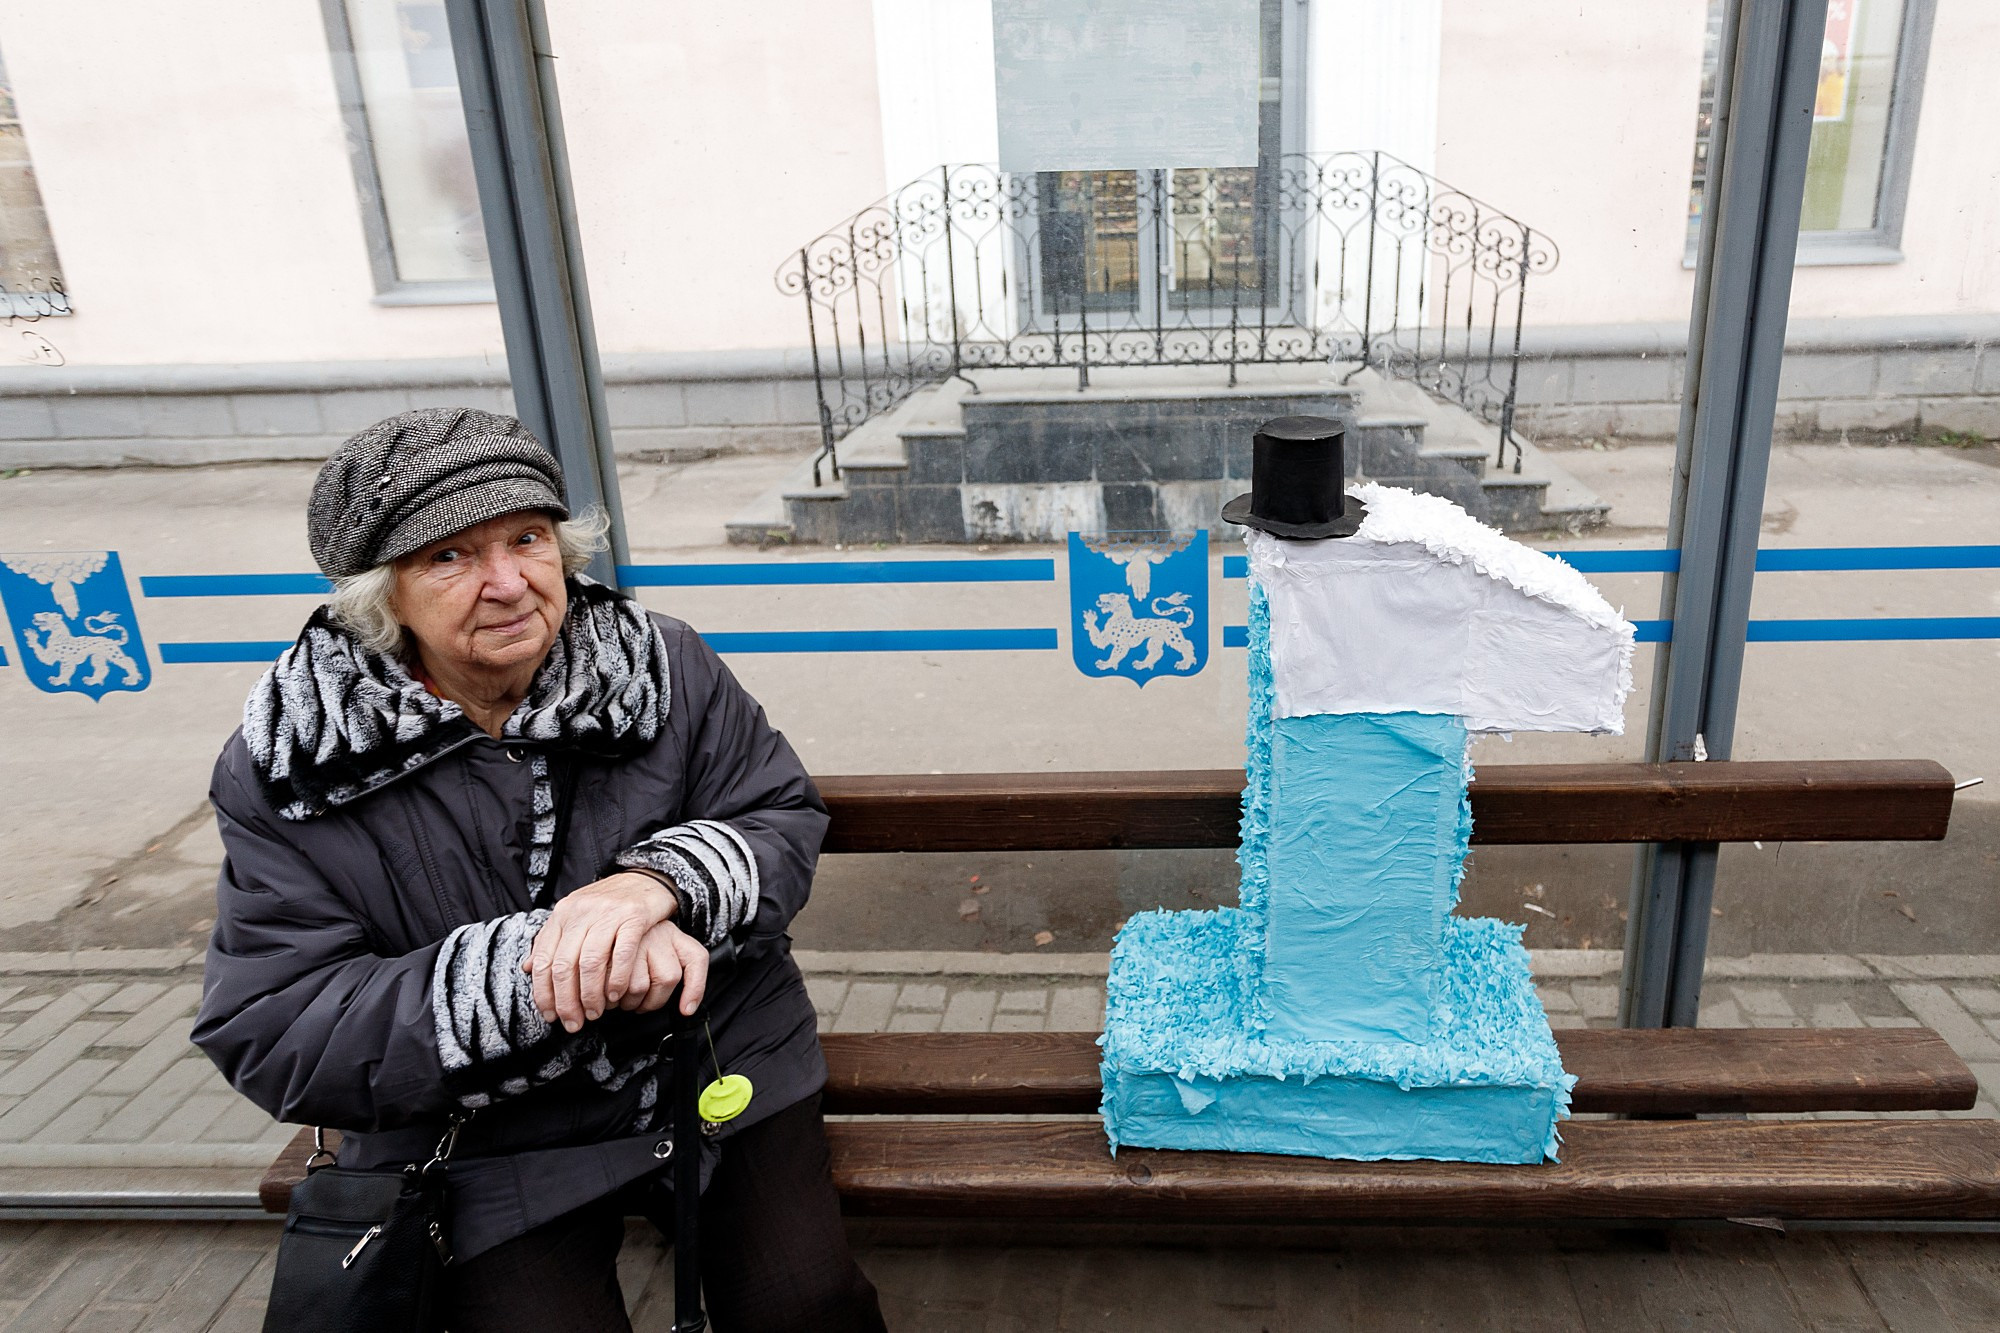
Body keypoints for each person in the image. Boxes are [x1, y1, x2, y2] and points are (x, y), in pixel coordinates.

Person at [192, 407, 885, 1332]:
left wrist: (657, 886)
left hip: (712, 1053)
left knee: (808, 1306)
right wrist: (548, 967)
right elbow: (274, 1023)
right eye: (450, 557)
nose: (510, 582)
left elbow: (777, 810)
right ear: (378, 596)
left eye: (527, 538)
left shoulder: (659, 664)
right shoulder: (301, 761)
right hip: (484, 1127)